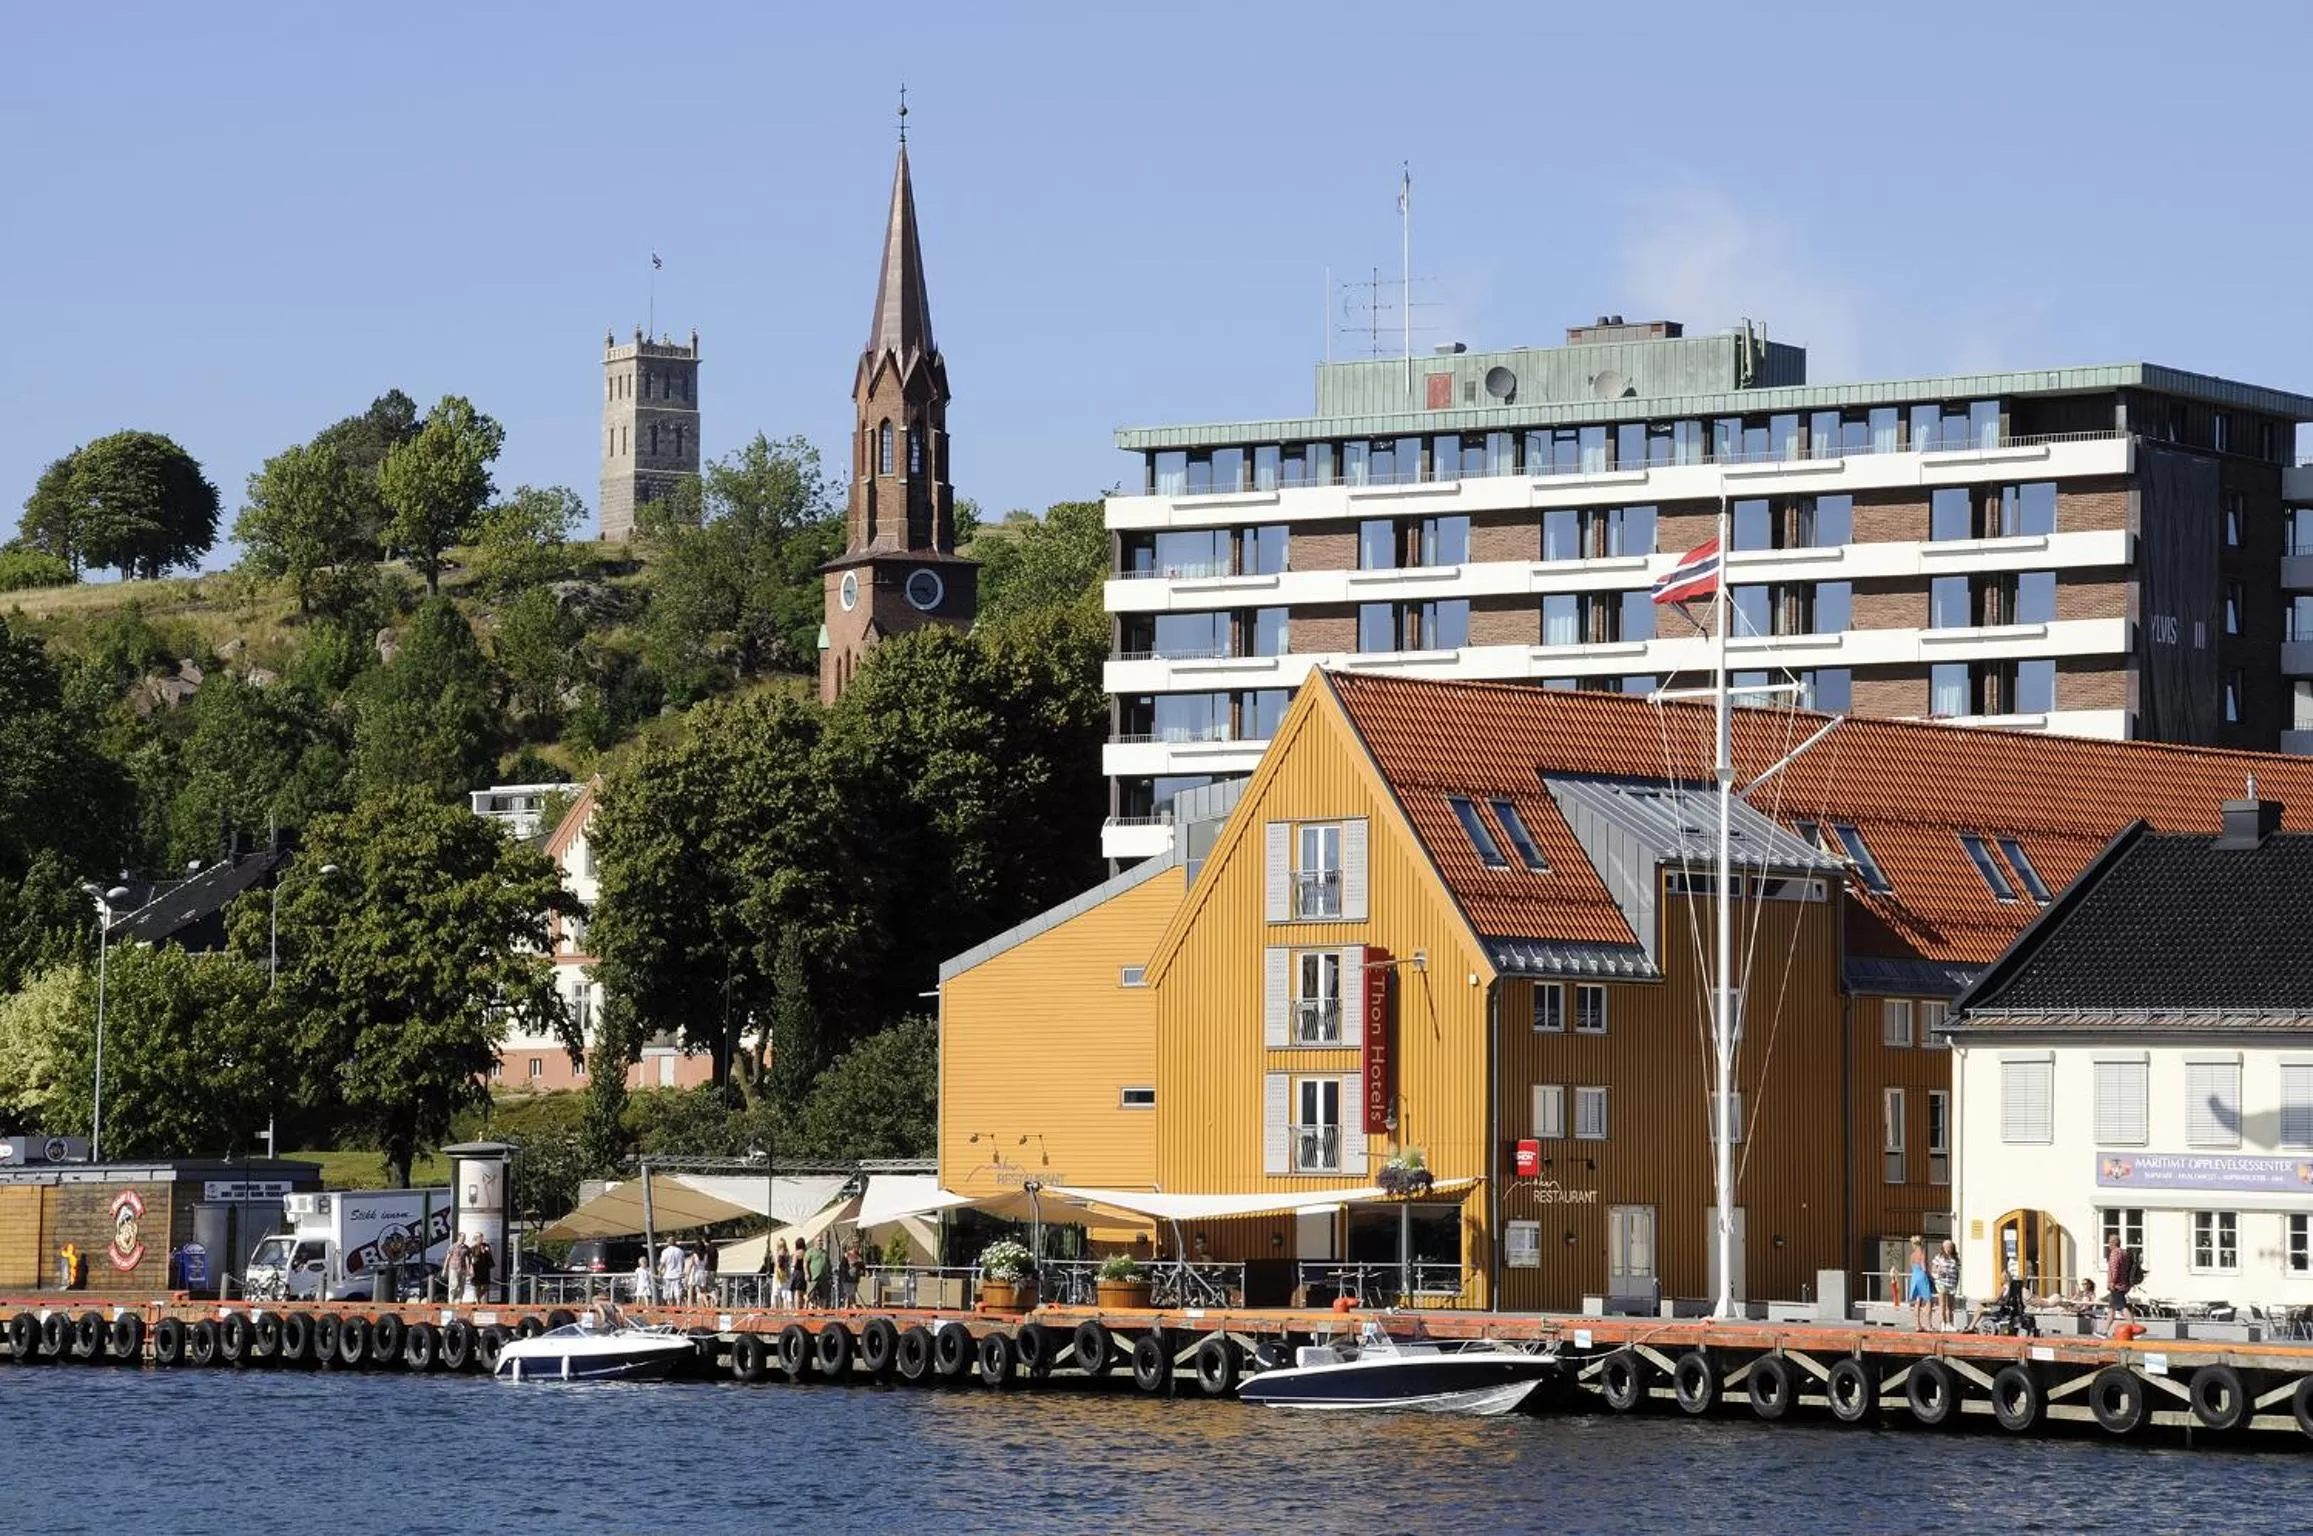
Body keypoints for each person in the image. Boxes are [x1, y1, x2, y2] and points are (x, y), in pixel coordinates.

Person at [2105, 1233, 2134, 1335]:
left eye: (2109, 1242)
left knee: (2122, 1307)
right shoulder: (2124, 1253)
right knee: (2111, 1309)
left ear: (2113, 1243)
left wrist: (2112, 1282)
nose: (2108, 1245)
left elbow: (2114, 1268)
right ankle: (2105, 1331)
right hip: (2124, 1284)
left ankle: (2133, 1328)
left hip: (2117, 1285)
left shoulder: (2114, 1253)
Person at [1905, 1234, 1934, 1331]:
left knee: (1918, 1300)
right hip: (1922, 1276)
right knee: (1928, 1300)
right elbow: (1924, 1268)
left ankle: (1917, 1325)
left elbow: (1912, 1267)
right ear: (1922, 1243)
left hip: (1915, 1276)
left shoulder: (1912, 1255)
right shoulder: (1922, 1253)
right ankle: (1929, 1325)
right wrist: (1931, 1277)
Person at [1930, 1239, 1960, 1329]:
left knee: (1950, 1306)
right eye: (1946, 1247)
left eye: (1950, 1247)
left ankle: (1949, 1323)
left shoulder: (1955, 1259)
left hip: (1952, 1283)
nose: (1948, 1249)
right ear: (1943, 1248)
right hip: (1941, 1282)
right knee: (1942, 1304)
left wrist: (1957, 1283)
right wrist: (1939, 1271)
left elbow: (1957, 1271)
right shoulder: (1939, 1257)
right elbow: (1933, 1269)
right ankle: (1943, 1323)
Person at [467, 1236, 496, 1304]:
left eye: (482, 1238)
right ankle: (478, 1301)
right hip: (477, 1269)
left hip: (485, 1269)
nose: (482, 1240)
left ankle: (478, 1297)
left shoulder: (486, 1246)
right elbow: (470, 1258)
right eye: (480, 1238)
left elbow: (490, 1255)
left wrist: (486, 1251)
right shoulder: (473, 1248)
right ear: (476, 1240)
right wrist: (471, 1266)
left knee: (486, 1287)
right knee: (477, 1286)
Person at [657, 1236, 685, 1306]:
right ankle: (678, 1307)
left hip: (668, 1274)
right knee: (678, 1292)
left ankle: (666, 1307)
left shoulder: (665, 1251)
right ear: (675, 1242)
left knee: (666, 1293)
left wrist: (659, 1272)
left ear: (667, 1243)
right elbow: (683, 1263)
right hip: (677, 1274)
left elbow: (663, 1264)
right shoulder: (680, 1251)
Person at [443, 1236, 470, 1304]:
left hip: (463, 1268)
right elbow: (448, 1258)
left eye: (464, 1238)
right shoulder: (453, 1246)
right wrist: (444, 1269)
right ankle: (451, 1299)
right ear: (459, 1238)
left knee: (461, 1285)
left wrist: (468, 1269)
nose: (463, 1239)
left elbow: (467, 1259)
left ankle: (459, 1300)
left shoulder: (466, 1248)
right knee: (454, 1284)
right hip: (454, 1268)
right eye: (462, 1238)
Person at [806, 1233, 830, 1308]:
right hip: (813, 1277)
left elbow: (828, 1263)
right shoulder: (810, 1251)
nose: (821, 1242)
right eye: (819, 1241)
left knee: (823, 1294)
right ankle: (811, 1307)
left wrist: (829, 1272)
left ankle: (821, 1309)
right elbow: (805, 1263)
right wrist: (807, 1273)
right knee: (811, 1293)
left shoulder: (825, 1252)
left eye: (821, 1241)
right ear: (815, 1241)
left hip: (823, 1277)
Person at [773, 1239, 792, 1310]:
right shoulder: (787, 1253)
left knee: (776, 1292)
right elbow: (787, 1264)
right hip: (786, 1273)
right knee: (786, 1292)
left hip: (779, 1274)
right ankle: (787, 1308)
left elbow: (776, 1264)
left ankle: (776, 1308)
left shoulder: (777, 1253)